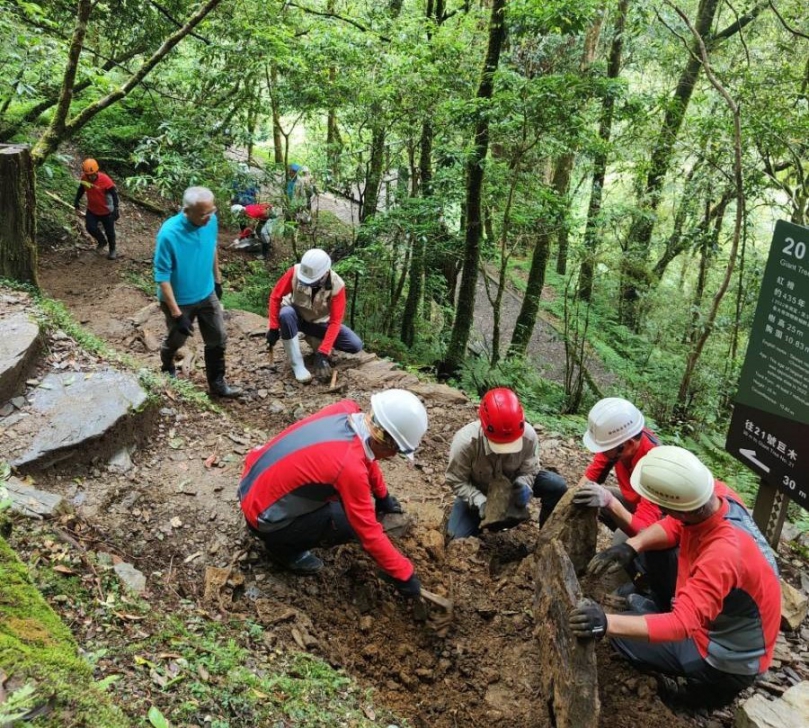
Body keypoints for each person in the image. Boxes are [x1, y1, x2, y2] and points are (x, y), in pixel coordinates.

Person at [568, 446, 781, 706]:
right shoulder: (712, 495)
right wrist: (632, 547)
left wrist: (605, 623)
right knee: (654, 553)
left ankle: (701, 695)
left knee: (621, 639)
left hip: (727, 655)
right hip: (725, 620)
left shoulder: (723, 555)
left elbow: (682, 624)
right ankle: (659, 609)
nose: (662, 511)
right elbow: (673, 525)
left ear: (679, 509)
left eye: (663, 507)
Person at [238, 388, 427, 596]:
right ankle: (284, 550)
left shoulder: (346, 411)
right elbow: (368, 532)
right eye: (397, 450)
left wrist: (383, 497)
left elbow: (367, 457)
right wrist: (404, 574)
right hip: (263, 517)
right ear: (386, 443)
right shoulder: (349, 468)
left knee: (345, 500)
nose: (392, 456)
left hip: (251, 484)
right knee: (347, 524)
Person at [153, 186, 241, 398]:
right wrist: (177, 314)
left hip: (206, 292)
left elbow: (212, 247)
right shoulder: (169, 234)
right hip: (179, 300)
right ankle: (167, 364)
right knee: (177, 340)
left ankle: (217, 384)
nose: (209, 218)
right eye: (203, 214)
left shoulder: (210, 221)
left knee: (218, 337)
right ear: (186, 211)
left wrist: (217, 281)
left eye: (212, 211)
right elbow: (162, 277)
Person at [445, 388, 567, 539]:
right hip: (479, 490)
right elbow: (456, 480)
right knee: (457, 539)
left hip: (513, 487)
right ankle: (479, 520)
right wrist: (480, 501)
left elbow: (530, 470)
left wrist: (524, 484)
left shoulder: (528, 437)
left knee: (556, 485)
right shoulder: (466, 444)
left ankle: (546, 539)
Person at [265, 248, 363, 384]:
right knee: (286, 314)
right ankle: (297, 364)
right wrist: (274, 328)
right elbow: (275, 297)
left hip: (319, 323)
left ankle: (313, 338)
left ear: (325, 273)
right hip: (296, 317)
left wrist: (323, 352)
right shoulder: (295, 272)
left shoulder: (337, 285)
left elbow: (335, 322)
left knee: (355, 344)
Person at [571, 397, 663, 538]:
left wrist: (610, 502)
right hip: (635, 503)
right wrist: (573, 500)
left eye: (605, 448)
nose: (601, 452)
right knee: (587, 495)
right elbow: (592, 475)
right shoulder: (619, 440)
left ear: (629, 445)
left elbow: (643, 529)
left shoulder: (656, 466)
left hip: (661, 518)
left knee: (621, 538)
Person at [74, 158, 120, 260]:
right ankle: (102, 241)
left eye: (92, 174)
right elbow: (81, 189)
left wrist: (116, 209)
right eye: (88, 175)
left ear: (96, 171)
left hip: (106, 211)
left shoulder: (105, 180)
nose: (90, 177)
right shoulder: (84, 178)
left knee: (110, 232)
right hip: (92, 210)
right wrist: (76, 201)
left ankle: (112, 249)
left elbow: (114, 195)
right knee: (90, 227)